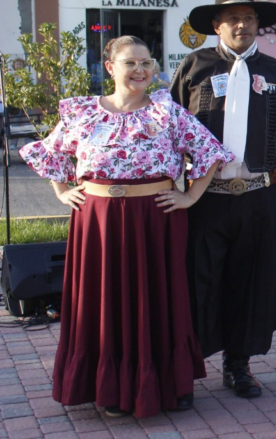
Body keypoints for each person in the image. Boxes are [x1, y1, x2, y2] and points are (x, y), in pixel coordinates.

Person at [21, 36, 232, 417]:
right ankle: (110, 386)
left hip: (155, 220)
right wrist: (62, 190)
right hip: (97, 221)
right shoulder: (82, 112)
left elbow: (211, 151)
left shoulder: (167, 113)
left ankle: (167, 382)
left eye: (146, 63)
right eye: (131, 63)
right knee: (104, 301)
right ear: (110, 67)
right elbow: (50, 152)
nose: (140, 71)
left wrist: (190, 196)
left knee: (157, 298)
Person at [172, 0, 276, 398]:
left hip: (259, 198)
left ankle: (238, 366)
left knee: (249, 283)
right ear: (216, 25)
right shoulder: (194, 67)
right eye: (232, 18)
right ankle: (186, 370)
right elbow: (171, 134)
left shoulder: (275, 71)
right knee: (198, 281)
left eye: (249, 18)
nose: (241, 25)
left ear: (257, 25)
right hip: (205, 198)